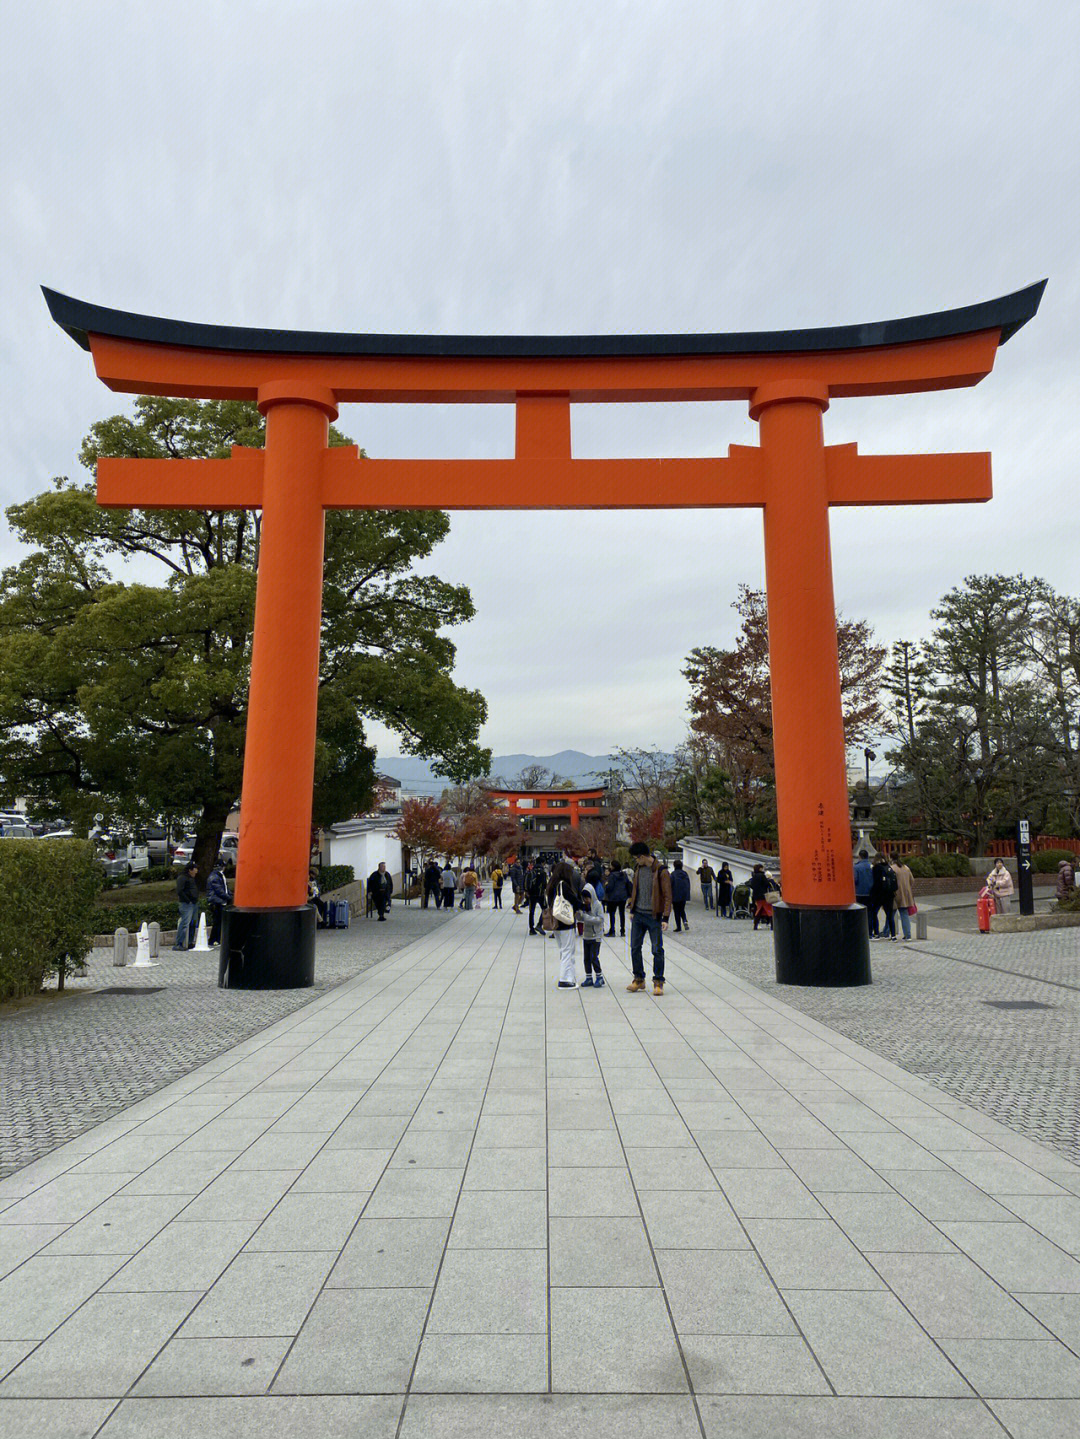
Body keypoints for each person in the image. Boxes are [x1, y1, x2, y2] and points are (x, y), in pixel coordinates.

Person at [626, 841, 671, 996]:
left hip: (654, 916)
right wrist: (632, 908)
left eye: (637, 858)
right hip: (638, 914)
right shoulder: (638, 869)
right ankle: (639, 979)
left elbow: (667, 895)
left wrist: (665, 917)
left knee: (657, 949)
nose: (636, 861)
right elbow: (635, 889)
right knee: (634, 947)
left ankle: (658, 982)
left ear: (643, 856)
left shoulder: (661, 871)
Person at [547, 858, 583, 987]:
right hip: (565, 922)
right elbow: (573, 900)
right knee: (568, 950)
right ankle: (565, 980)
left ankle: (569, 976)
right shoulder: (563, 885)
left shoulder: (552, 884)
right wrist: (584, 907)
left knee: (564, 950)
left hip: (556, 922)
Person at [580, 874, 606, 987]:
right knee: (586, 958)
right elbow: (581, 919)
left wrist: (587, 918)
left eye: (587, 898)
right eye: (584, 898)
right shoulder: (584, 905)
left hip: (596, 936)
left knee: (593, 957)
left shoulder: (597, 905)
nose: (586, 900)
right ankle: (588, 977)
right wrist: (579, 915)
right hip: (586, 935)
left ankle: (599, 976)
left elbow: (600, 919)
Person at [871, 854, 898, 939]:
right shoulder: (889, 867)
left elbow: (875, 883)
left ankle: (876, 933)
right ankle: (893, 935)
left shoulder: (876, 868)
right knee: (889, 915)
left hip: (878, 895)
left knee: (874, 913)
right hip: (889, 894)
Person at [174, 862, 200, 950]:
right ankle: (179, 943)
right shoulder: (182, 878)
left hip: (193, 903)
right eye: (195, 869)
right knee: (185, 923)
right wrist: (188, 900)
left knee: (193, 923)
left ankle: (189, 942)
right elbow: (179, 891)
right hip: (186, 904)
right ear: (190, 870)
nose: (196, 871)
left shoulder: (190, 878)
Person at [890, 853, 916, 940]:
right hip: (906, 894)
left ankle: (886, 932)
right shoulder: (906, 868)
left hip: (895, 894)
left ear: (891, 858)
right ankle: (908, 935)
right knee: (904, 914)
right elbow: (912, 881)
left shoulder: (892, 868)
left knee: (891, 914)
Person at [206, 859, 230, 946]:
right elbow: (219, 890)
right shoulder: (215, 877)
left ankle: (216, 939)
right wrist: (228, 897)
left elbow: (225, 888)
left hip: (220, 901)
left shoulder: (219, 875)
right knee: (217, 922)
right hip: (217, 902)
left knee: (219, 922)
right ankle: (213, 940)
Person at [604, 861, 629, 936]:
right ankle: (622, 931)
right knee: (622, 913)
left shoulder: (612, 875)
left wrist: (606, 886)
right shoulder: (624, 874)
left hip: (613, 897)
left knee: (612, 914)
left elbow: (610, 887)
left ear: (613, 867)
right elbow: (627, 884)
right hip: (623, 896)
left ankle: (612, 930)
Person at [854, 850, 875, 935]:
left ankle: (860, 931)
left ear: (860, 856)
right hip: (871, 893)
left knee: (860, 913)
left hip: (860, 893)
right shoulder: (872, 866)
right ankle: (870, 931)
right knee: (870, 912)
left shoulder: (856, 867)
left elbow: (855, 879)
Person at [748, 863, 773, 931]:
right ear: (760, 868)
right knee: (769, 910)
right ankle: (772, 925)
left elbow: (752, 885)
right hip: (763, 895)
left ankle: (755, 925)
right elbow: (767, 884)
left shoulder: (754, 876)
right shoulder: (762, 876)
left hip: (756, 895)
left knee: (759, 910)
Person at [526, 861, 547, 934]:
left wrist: (527, 892)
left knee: (531, 912)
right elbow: (545, 884)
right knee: (545, 909)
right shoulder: (543, 873)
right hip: (540, 894)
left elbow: (526, 883)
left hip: (532, 895)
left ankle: (531, 929)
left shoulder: (531, 873)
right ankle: (539, 924)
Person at [670, 858, 692, 931]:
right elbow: (688, 884)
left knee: (676, 911)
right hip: (683, 895)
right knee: (682, 909)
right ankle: (685, 921)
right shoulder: (685, 873)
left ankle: (678, 927)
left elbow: (670, 885)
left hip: (675, 895)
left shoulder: (673, 874)